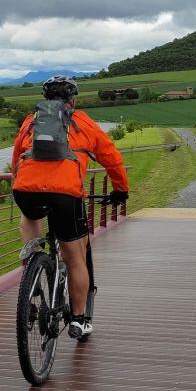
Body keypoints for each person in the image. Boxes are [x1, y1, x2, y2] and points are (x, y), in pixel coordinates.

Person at [11, 76, 129, 338]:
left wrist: (16, 181)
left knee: (29, 218)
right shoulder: (83, 121)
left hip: (26, 190)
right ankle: (78, 320)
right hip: (66, 194)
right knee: (74, 257)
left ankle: (31, 279)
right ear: (72, 100)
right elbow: (112, 158)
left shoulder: (31, 121)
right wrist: (121, 190)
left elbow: (17, 155)